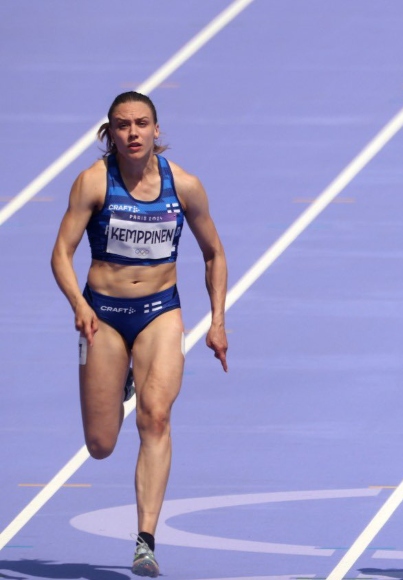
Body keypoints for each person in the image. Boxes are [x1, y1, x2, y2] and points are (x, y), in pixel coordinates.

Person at [50, 91, 228, 577]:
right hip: (103, 316)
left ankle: (146, 539)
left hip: (159, 314)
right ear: (110, 133)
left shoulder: (184, 185)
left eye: (141, 124)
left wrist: (216, 321)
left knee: (155, 417)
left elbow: (214, 253)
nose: (132, 133)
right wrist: (80, 305)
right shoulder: (93, 183)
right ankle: (120, 373)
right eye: (122, 125)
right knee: (101, 444)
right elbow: (60, 254)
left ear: (155, 131)